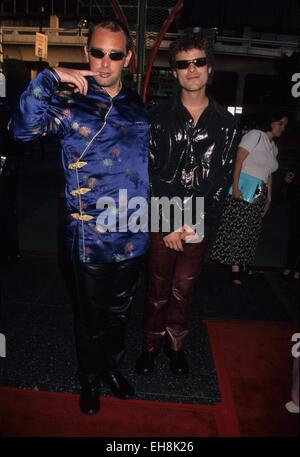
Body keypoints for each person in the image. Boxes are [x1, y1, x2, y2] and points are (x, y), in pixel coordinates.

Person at [10, 19, 149, 415]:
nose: (105, 63)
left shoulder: (137, 103)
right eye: (98, 52)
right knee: (90, 318)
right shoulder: (68, 102)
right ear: (87, 53)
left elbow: (144, 166)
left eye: (115, 54)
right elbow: (22, 130)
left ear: (128, 59)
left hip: (134, 231)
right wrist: (51, 78)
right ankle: (89, 380)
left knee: (120, 313)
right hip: (89, 236)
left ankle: (111, 368)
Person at [135, 34, 239, 376]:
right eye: (183, 63)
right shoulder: (157, 116)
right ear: (174, 72)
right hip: (162, 221)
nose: (191, 69)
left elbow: (223, 181)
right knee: (157, 289)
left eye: (198, 62)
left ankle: (175, 346)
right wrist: (168, 225)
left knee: (183, 292)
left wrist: (192, 224)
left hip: (199, 223)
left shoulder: (226, 124)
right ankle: (150, 345)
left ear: (209, 69)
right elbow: (146, 173)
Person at [210, 113, 288, 285]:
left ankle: (242, 261)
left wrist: (268, 197)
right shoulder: (255, 135)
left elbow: (269, 174)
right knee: (238, 226)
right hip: (245, 184)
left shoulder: (273, 146)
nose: (282, 127)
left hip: (260, 189)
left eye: (284, 125)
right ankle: (235, 268)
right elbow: (238, 162)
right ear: (271, 122)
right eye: (280, 123)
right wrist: (236, 186)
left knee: (251, 228)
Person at [281, 162, 300, 280]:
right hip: (297, 203)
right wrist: (287, 179)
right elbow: (290, 177)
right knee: (294, 235)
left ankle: (298, 269)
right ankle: (290, 266)